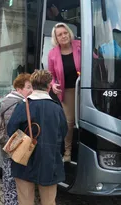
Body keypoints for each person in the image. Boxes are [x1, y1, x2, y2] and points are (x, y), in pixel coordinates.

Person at [7, 69, 67, 205]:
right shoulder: (57, 108)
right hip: (50, 161)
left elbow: (11, 130)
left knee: (25, 204)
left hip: (24, 159)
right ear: (48, 87)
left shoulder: (23, 106)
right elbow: (63, 132)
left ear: (32, 86)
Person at [0, 73, 33, 205]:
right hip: (16, 148)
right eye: (28, 87)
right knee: (16, 183)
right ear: (19, 88)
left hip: (6, 147)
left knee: (7, 182)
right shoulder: (19, 103)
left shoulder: (5, 100)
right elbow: (17, 129)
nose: (31, 90)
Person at [48, 22, 81, 162]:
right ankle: (67, 152)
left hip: (84, 89)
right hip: (67, 91)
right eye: (59, 35)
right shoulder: (53, 54)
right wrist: (53, 85)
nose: (63, 36)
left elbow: (95, 61)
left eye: (65, 33)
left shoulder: (80, 45)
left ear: (69, 33)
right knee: (69, 122)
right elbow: (50, 75)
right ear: (56, 38)